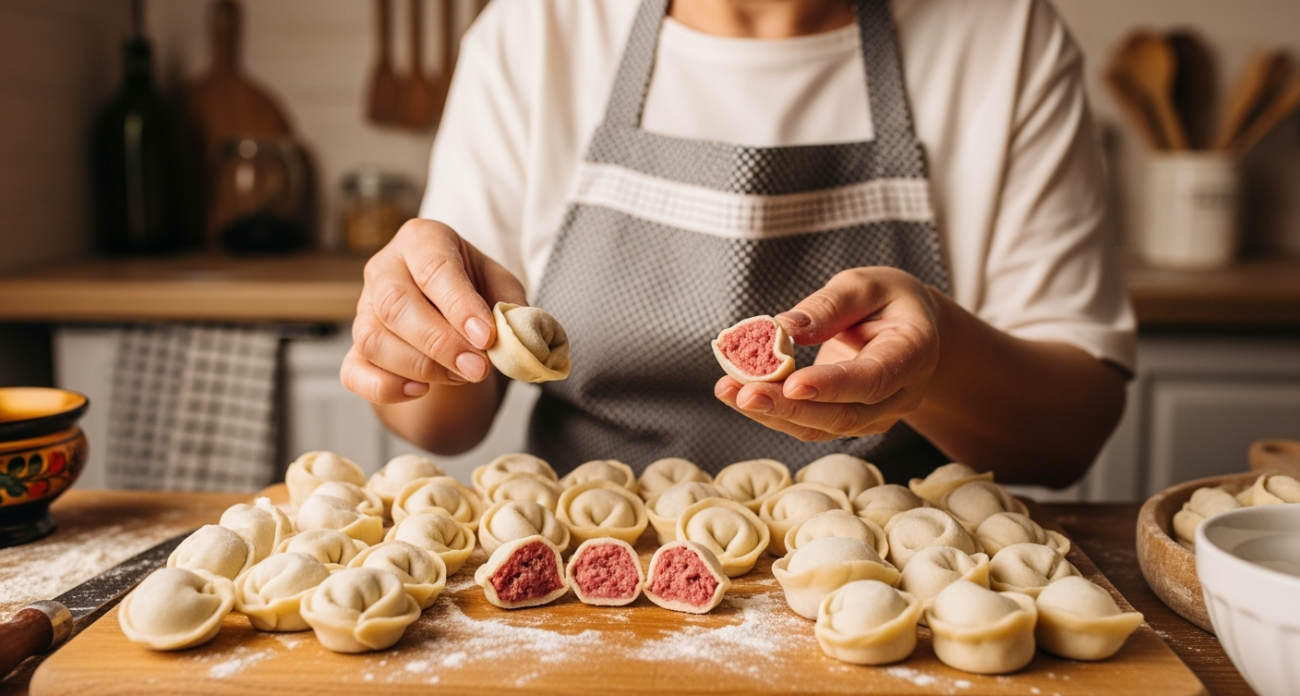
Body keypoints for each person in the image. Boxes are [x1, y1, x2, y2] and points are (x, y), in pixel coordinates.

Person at [341, 0, 1133, 488]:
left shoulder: (1006, 34)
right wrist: (419, 336)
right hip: (587, 567)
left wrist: (939, 360)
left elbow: (1065, 440)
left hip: (897, 570)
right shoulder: (534, 30)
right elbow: (445, 425)